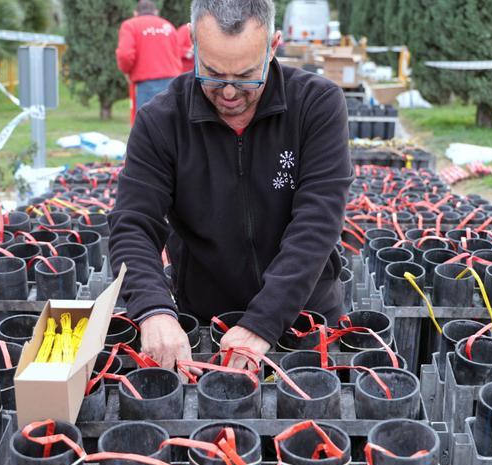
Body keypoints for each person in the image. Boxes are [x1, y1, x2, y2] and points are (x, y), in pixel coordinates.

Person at [108, 0, 352, 372]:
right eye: (213, 73)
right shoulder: (161, 121)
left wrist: (263, 322)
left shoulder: (316, 105)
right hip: (207, 326)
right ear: (192, 42)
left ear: (273, 46)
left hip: (305, 320)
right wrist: (154, 310)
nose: (229, 93)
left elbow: (317, 223)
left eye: (246, 76)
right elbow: (132, 223)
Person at [116, 0, 183, 115]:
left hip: (146, 84)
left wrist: (126, 71)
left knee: (147, 127)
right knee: (171, 126)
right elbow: (177, 54)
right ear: (156, 12)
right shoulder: (168, 26)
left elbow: (125, 54)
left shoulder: (130, 25)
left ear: (135, 13)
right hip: (173, 82)